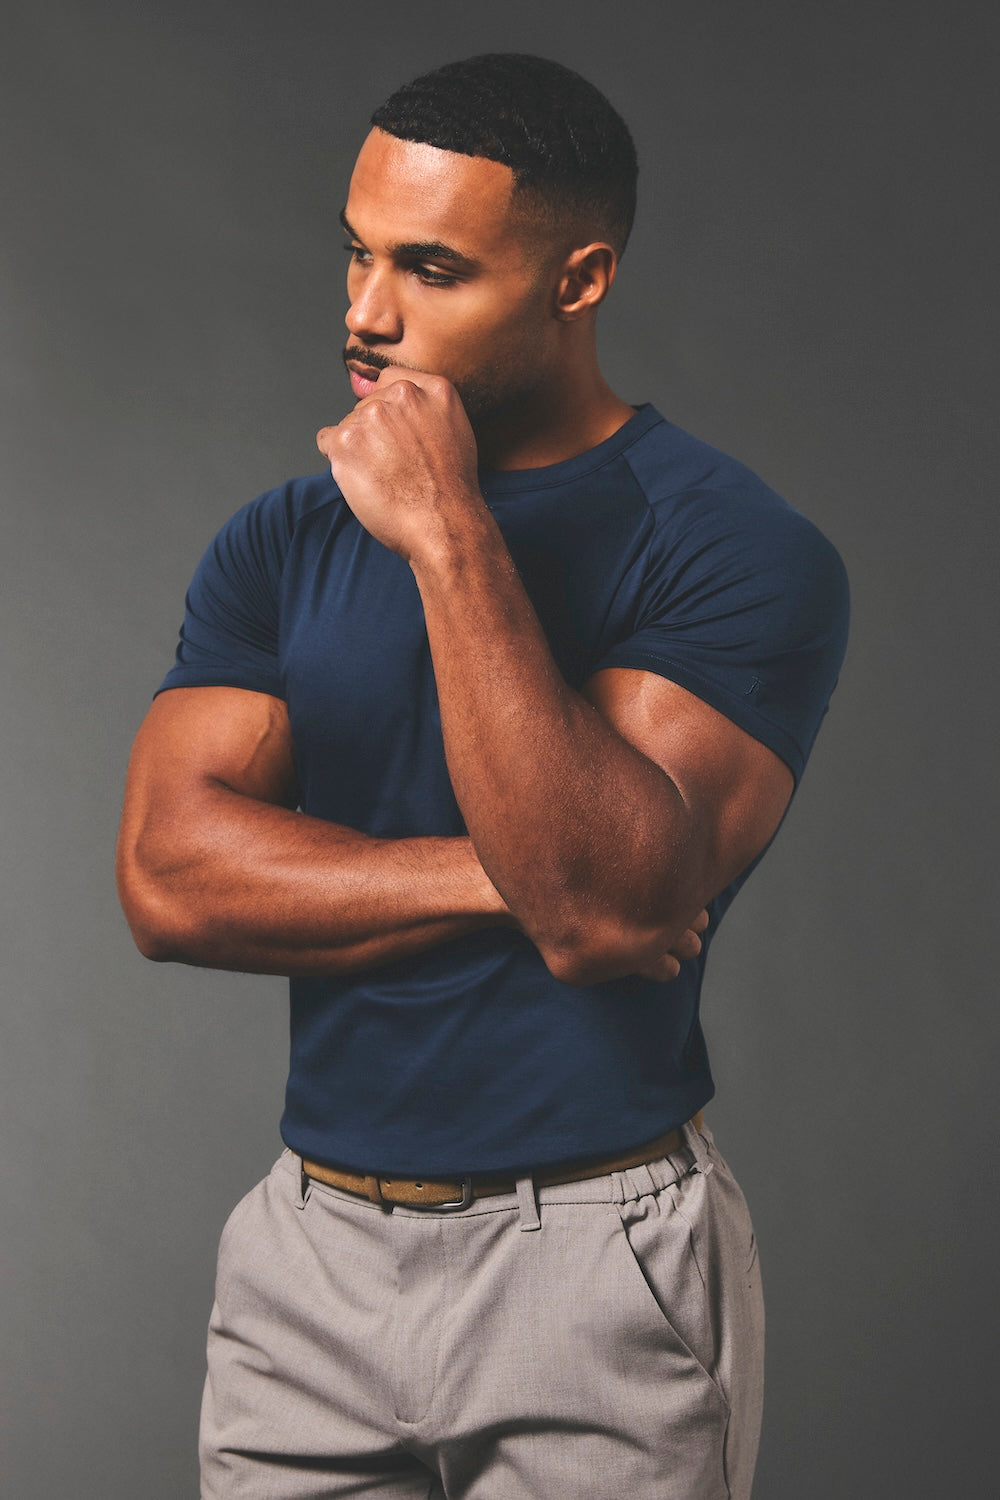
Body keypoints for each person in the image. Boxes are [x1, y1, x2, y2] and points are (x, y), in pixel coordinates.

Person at [117, 52, 848, 1500]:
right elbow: (168, 881)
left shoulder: (733, 548)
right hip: (308, 1261)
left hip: (593, 1258)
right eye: (358, 252)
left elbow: (603, 910)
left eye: (432, 269)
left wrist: (449, 530)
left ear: (581, 281)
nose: (365, 313)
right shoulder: (284, 539)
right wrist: (501, 876)